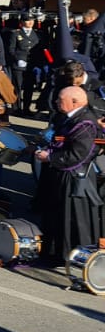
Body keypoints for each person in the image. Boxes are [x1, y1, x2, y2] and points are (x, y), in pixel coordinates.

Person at [34, 85, 105, 261]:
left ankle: (70, 256)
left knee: (70, 220)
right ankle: (53, 252)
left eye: (60, 99)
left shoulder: (86, 123)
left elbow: (78, 155)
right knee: (54, 216)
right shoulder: (66, 117)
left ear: (75, 102)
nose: (56, 102)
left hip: (74, 178)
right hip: (59, 175)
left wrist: (49, 157)